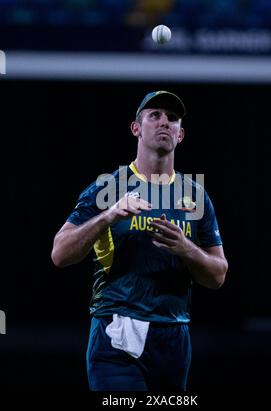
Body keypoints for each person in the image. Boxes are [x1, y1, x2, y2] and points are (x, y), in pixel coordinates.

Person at [51, 90, 228, 391]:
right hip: (116, 330)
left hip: (172, 335)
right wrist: (108, 216)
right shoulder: (108, 188)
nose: (164, 123)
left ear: (181, 134)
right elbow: (59, 253)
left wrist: (186, 249)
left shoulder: (195, 196)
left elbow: (218, 275)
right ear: (136, 128)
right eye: (154, 115)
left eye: (172, 119)